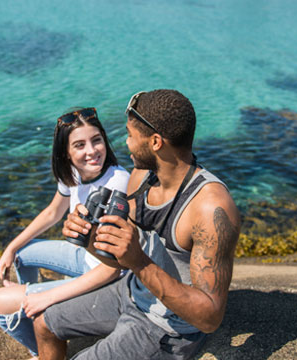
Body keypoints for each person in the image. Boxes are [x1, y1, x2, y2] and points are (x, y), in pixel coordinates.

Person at [32, 90, 240, 359]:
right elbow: (121, 258)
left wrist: (139, 262)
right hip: (131, 292)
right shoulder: (141, 176)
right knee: (44, 323)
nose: (126, 143)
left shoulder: (210, 207)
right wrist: (89, 237)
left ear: (155, 141)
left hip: (167, 327)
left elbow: (209, 317)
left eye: (130, 134)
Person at [0, 107, 129, 358]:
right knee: (21, 253)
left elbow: (113, 268)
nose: (92, 151)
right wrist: (10, 247)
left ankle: (42, 349)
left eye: (97, 140)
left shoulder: (117, 183)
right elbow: (53, 212)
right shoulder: (73, 173)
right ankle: (37, 320)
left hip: (106, 275)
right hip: (85, 258)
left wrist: (50, 296)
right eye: (79, 145)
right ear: (66, 153)